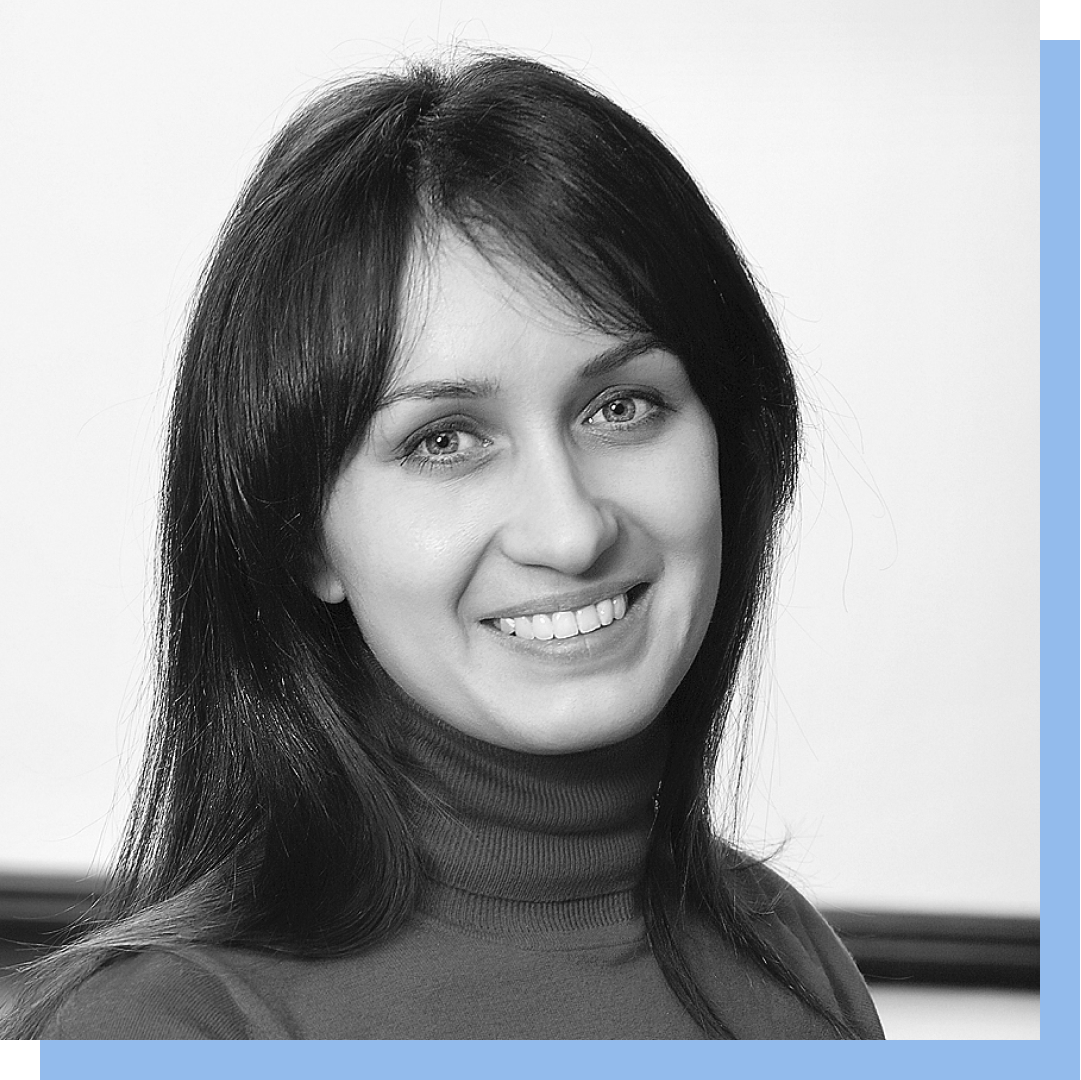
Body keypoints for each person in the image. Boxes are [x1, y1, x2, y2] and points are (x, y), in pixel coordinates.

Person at [4, 54, 883, 1040]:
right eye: (444, 441)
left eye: (622, 406)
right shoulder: (157, 1030)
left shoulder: (788, 958)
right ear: (302, 537)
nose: (569, 530)